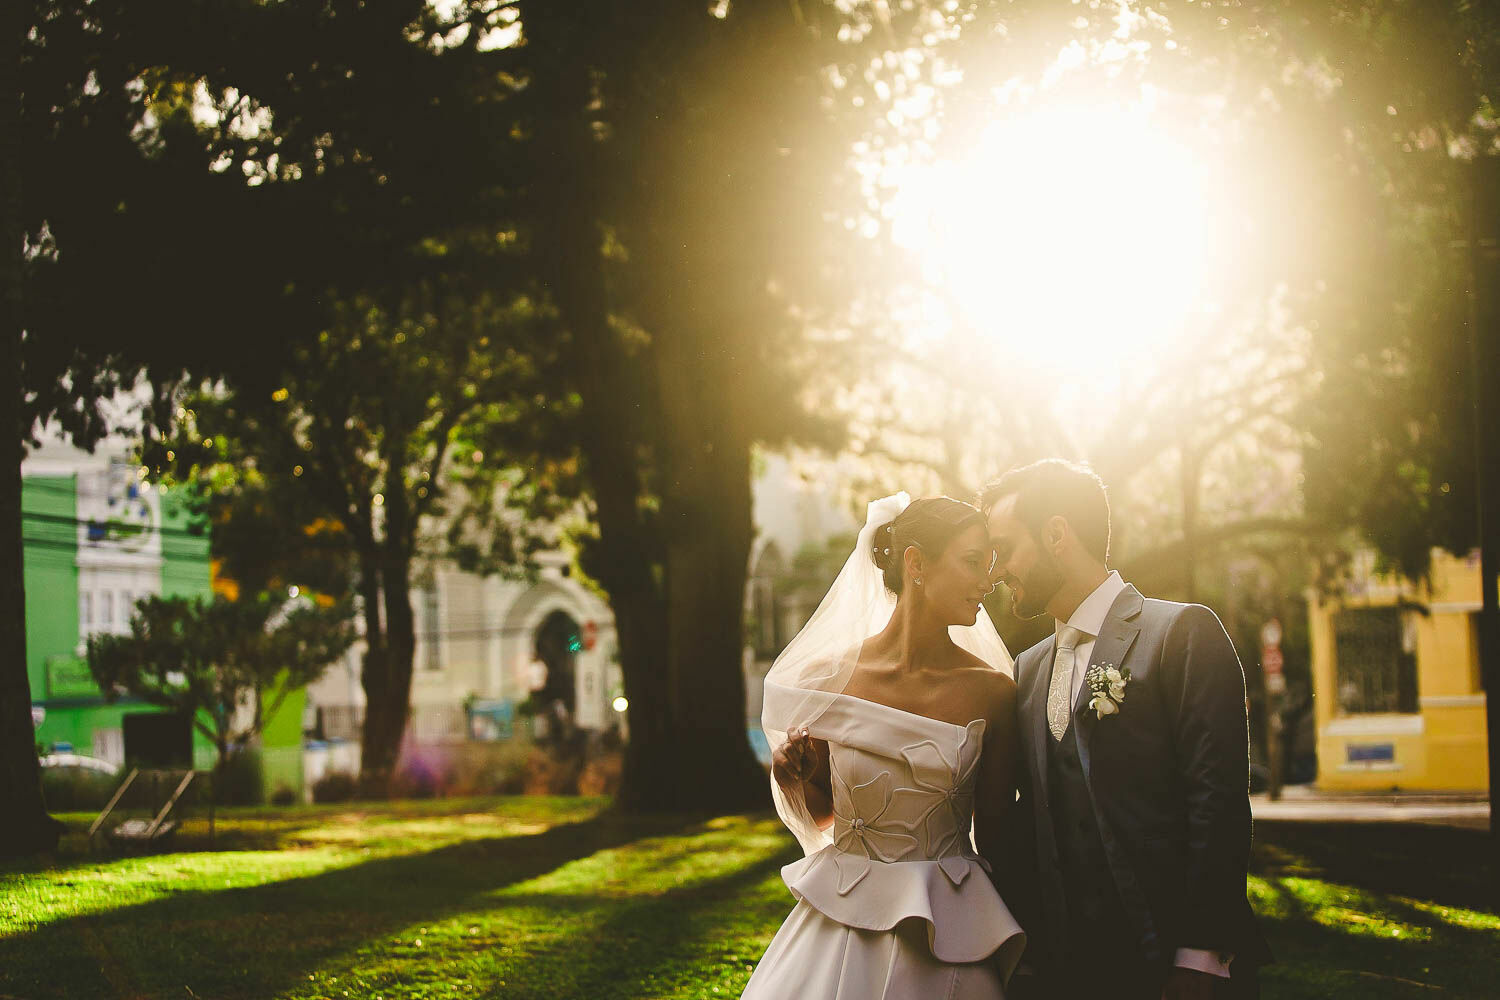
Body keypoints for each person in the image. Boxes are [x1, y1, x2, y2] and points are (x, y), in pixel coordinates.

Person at [981, 459, 1271, 999]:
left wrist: (1201, 957)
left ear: (1056, 534)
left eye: (1005, 548)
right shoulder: (1024, 671)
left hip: (1174, 965)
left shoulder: (1181, 634)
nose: (996, 570)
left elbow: (1218, 803)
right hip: (1066, 972)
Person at [743, 494, 1026, 1000]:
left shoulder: (994, 692)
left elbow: (1002, 834)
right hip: (842, 927)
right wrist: (799, 774)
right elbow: (826, 815)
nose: (987, 582)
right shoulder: (829, 680)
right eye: (971, 563)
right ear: (916, 563)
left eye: (989, 566)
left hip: (947, 937)